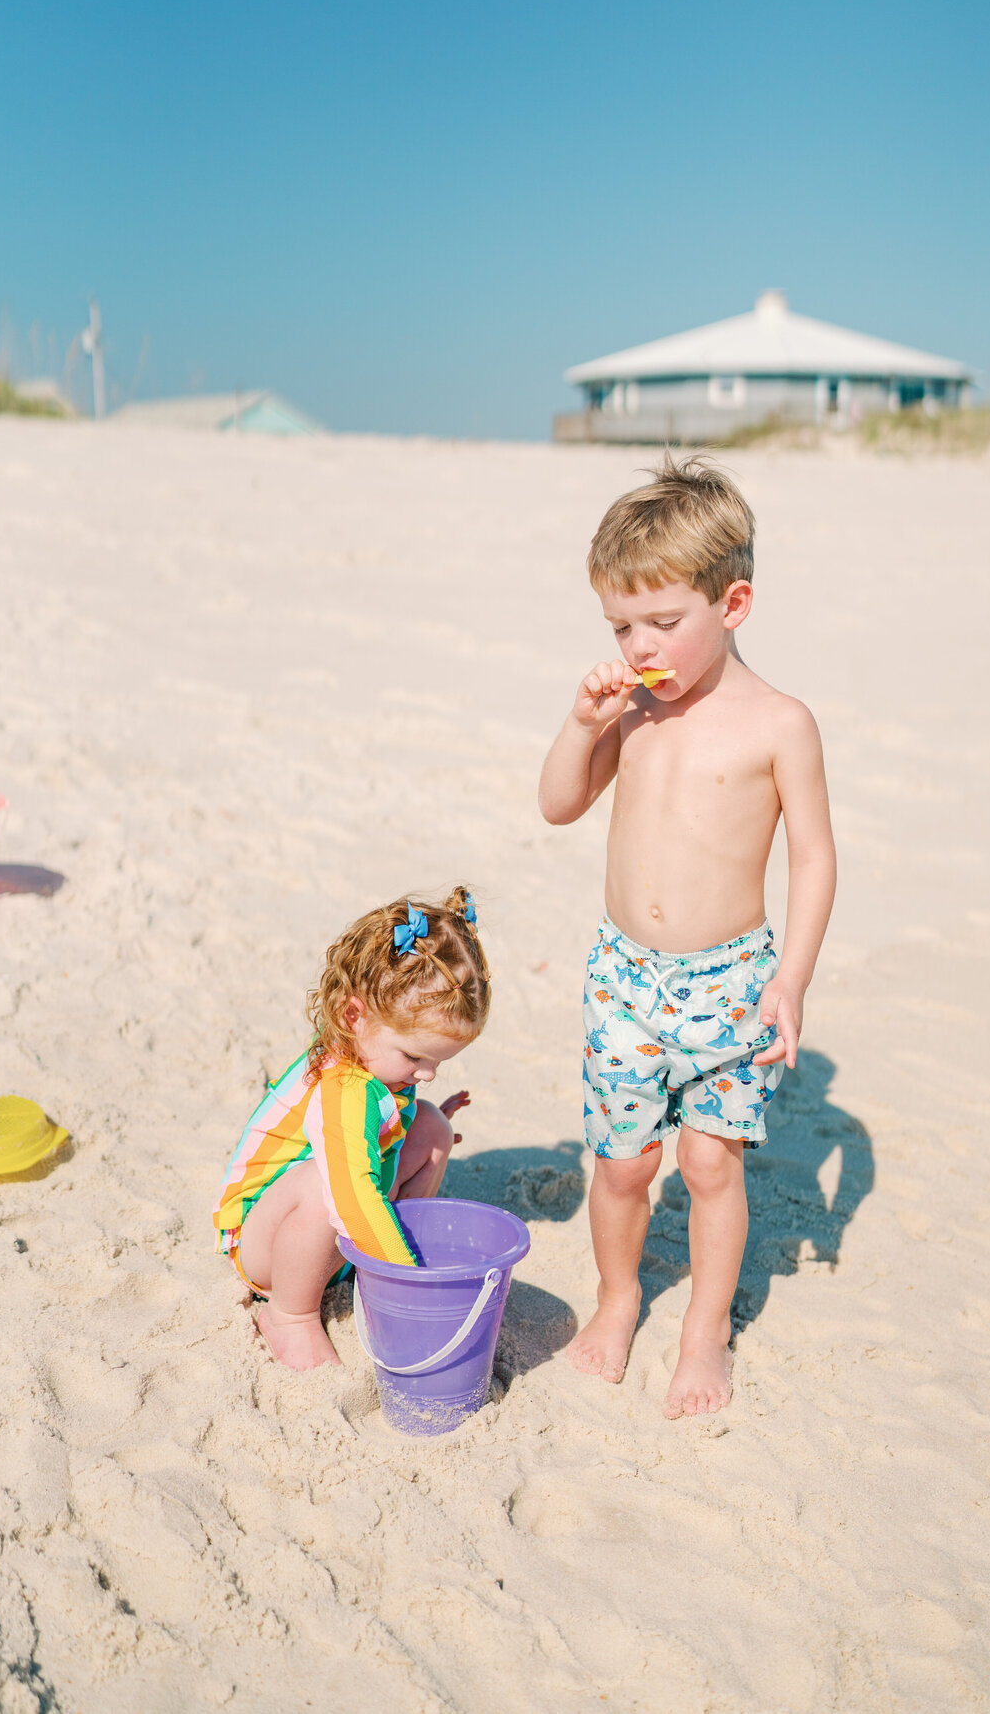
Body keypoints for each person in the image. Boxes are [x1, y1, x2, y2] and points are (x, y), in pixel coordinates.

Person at [538, 456, 836, 1418]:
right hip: (625, 976)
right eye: (621, 625)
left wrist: (790, 978)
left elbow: (815, 859)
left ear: (733, 601)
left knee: (711, 1163)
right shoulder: (632, 706)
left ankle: (704, 1332)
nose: (640, 644)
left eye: (664, 622)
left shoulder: (780, 723)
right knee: (624, 1164)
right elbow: (558, 805)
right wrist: (583, 725)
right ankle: (619, 1297)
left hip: (730, 981)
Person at [213, 889, 490, 1371]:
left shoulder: (376, 1052)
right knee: (327, 1187)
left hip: (330, 1231)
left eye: (438, 1061)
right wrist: (410, 1282)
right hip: (268, 1247)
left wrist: (417, 1123)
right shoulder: (342, 1086)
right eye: (415, 1057)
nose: (426, 1074)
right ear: (352, 1016)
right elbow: (352, 1196)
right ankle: (291, 1316)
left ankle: (377, 1261)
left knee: (433, 1126)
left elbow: (380, 1132)